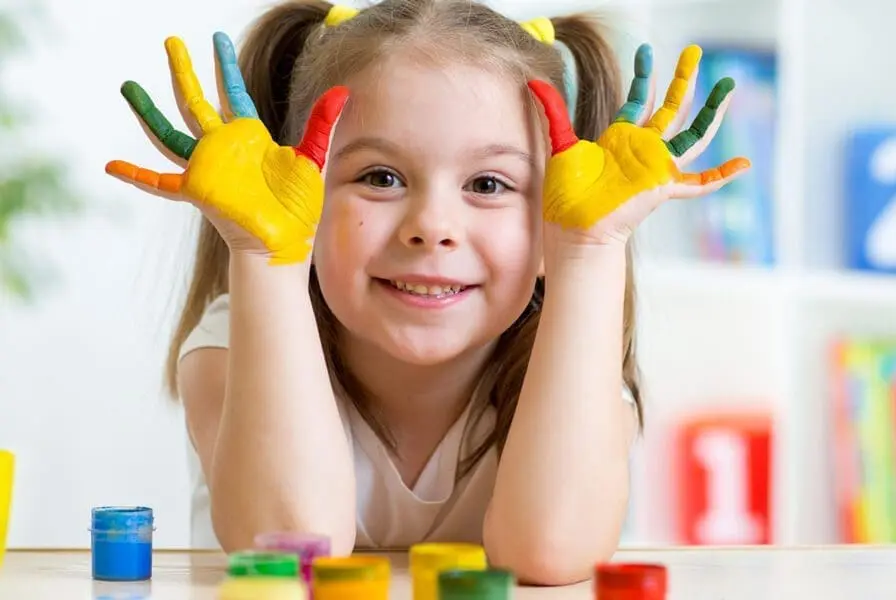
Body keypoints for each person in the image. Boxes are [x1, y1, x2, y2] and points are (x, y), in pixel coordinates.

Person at [105, 0, 748, 585]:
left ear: (550, 218)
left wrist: (588, 252)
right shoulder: (229, 345)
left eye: (490, 185)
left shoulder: (573, 364)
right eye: (380, 177)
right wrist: (266, 258)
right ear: (300, 196)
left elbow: (550, 552)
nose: (433, 228)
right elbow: (296, 552)